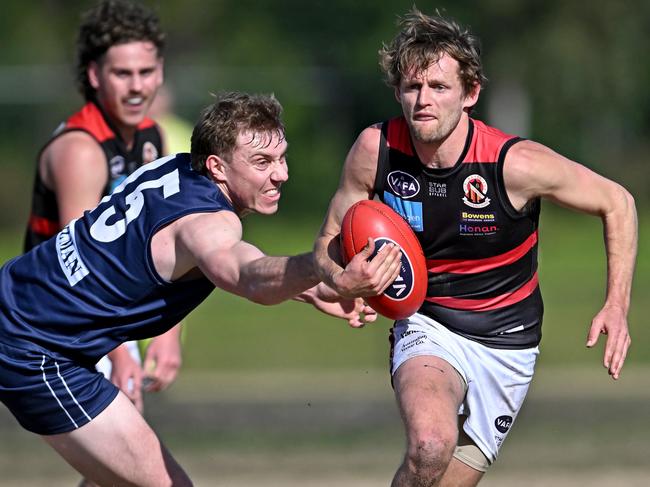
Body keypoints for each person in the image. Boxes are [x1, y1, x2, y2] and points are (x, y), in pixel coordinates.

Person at [313, 7, 637, 487]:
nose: (423, 101)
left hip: (509, 342)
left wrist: (616, 304)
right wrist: (342, 280)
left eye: (439, 87)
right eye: (412, 87)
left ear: (471, 94)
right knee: (429, 447)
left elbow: (618, 202)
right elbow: (328, 242)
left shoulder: (514, 165)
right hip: (428, 320)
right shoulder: (375, 149)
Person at [0, 91, 392, 485]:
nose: (282, 174)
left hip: (15, 298)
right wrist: (322, 268)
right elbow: (247, 275)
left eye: (281, 157)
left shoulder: (172, 169)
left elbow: (220, 261)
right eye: (262, 162)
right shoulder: (207, 222)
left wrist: (312, 289)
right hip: (36, 349)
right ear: (217, 167)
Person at [23, 0, 182, 415]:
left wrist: (168, 332)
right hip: (49, 323)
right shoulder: (81, 149)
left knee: (122, 469)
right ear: (95, 75)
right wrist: (119, 353)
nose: (136, 87)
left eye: (145, 73)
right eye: (121, 73)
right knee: (139, 466)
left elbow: (164, 236)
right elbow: (79, 268)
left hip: (99, 316)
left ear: (160, 72)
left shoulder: (151, 137)